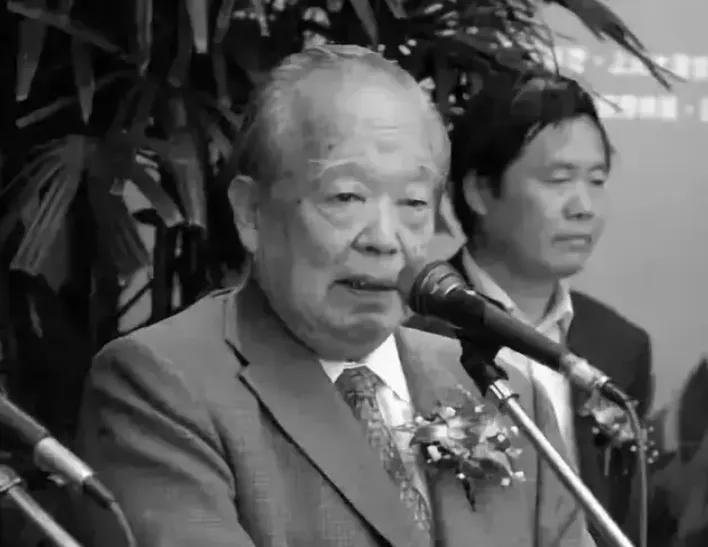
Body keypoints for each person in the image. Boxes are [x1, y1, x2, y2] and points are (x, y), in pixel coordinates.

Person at [72, 46, 596, 547]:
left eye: (414, 203)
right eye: (347, 196)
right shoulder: (162, 384)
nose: (384, 239)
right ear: (251, 212)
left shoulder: (506, 395)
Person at [408, 73, 654, 544]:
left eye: (597, 181)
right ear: (479, 191)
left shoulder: (621, 346)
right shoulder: (411, 334)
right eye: (559, 180)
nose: (583, 206)